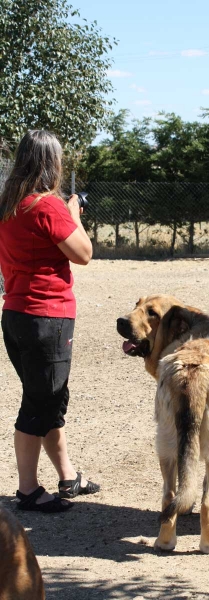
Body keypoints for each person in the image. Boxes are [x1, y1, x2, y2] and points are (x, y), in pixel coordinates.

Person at [0, 130, 100, 512]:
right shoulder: (47, 206)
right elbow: (84, 254)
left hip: (16, 315)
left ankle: (67, 476)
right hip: (47, 317)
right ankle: (27, 490)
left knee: (48, 398)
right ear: (50, 163)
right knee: (39, 403)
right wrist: (73, 214)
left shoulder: (10, 203)